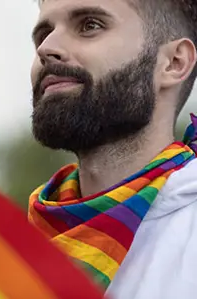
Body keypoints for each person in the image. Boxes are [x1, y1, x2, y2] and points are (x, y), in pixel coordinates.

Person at [27, 0, 197, 298]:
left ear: (174, 63)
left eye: (90, 25)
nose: (46, 48)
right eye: (44, 33)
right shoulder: (13, 245)